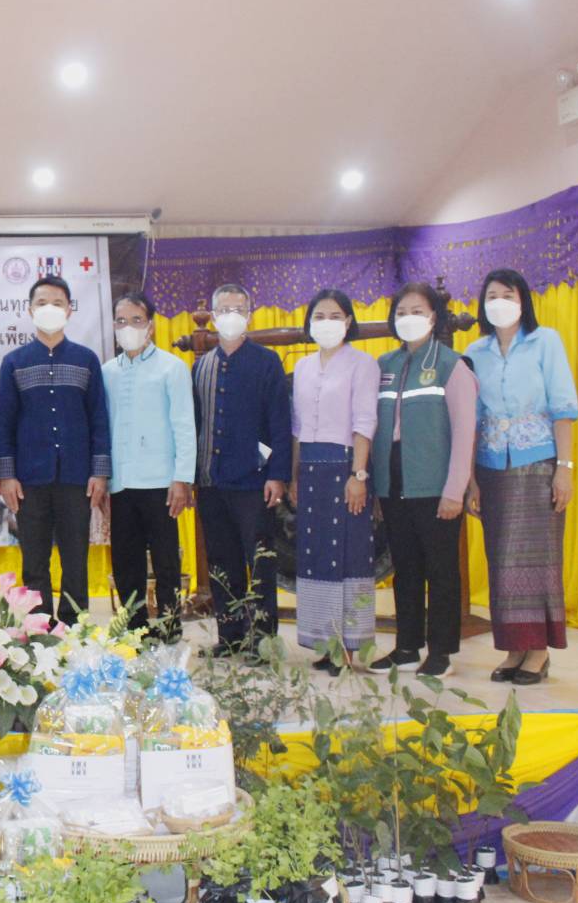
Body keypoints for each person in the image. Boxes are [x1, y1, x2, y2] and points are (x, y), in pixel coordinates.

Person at [465, 268, 578, 685]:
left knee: (536, 559)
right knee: (502, 560)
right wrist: (471, 480)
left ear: (522, 300)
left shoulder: (545, 341)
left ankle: (539, 651)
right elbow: (471, 419)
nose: (499, 302)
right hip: (492, 467)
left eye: (507, 295)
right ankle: (514, 648)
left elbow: (563, 407)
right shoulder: (474, 351)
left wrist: (564, 469)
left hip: (538, 464)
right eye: (491, 295)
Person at [369, 283, 478, 679]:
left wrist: (455, 490)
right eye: (401, 311)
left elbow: (465, 433)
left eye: (417, 311)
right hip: (393, 480)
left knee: (441, 570)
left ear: (434, 317)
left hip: (436, 483)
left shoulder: (452, 365)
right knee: (405, 567)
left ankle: (441, 651)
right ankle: (406, 647)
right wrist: (377, 487)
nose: (408, 318)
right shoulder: (385, 364)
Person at [0, 275, 111, 625]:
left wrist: (100, 472)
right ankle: (39, 627)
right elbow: (5, 423)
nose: (50, 309)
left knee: (75, 558)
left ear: (70, 310)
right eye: (42, 303)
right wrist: (7, 476)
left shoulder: (86, 360)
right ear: (30, 310)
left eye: (57, 303)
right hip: (30, 478)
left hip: (77, 477)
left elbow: (99, 419)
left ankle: (74, 627)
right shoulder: (14, 362)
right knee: (34, 559)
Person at [191, 284, 291, 654]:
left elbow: (280, 422)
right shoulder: (201, 366)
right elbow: (195, 425)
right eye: (224, 309)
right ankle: (229, 637)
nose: (230, 315)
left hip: (254, 480)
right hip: (211, 480)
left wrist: (278, 474)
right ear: (213, 315)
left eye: (238, 308)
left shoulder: (267, 362)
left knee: (260, 561)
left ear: (249, 314)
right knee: (221, 561)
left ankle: (262, 641)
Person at [287, 289, 380, 672]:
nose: (327, 323)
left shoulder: (363, 364)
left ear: (349, 321)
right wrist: (294, 475)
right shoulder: (303, 367)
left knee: (347, 556)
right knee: (315, 556)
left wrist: (358, 474)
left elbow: (365, 421)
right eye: (319, 316)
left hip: (345, 469)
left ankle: (348, 646)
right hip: (310, 471)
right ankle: (325, 642)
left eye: (335, 316)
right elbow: (296, 428)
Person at [103, 291, 195, 637]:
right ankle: (134, 629)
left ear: (151, 326)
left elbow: (184, 425)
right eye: (121, 321)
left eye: (136, 320)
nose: (128, 327)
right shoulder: (107, 372)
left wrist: (182, 478)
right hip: (121, 481)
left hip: (161, 482)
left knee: (166, 560)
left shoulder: (172, 367)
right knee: (126, 562)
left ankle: (169, 626)